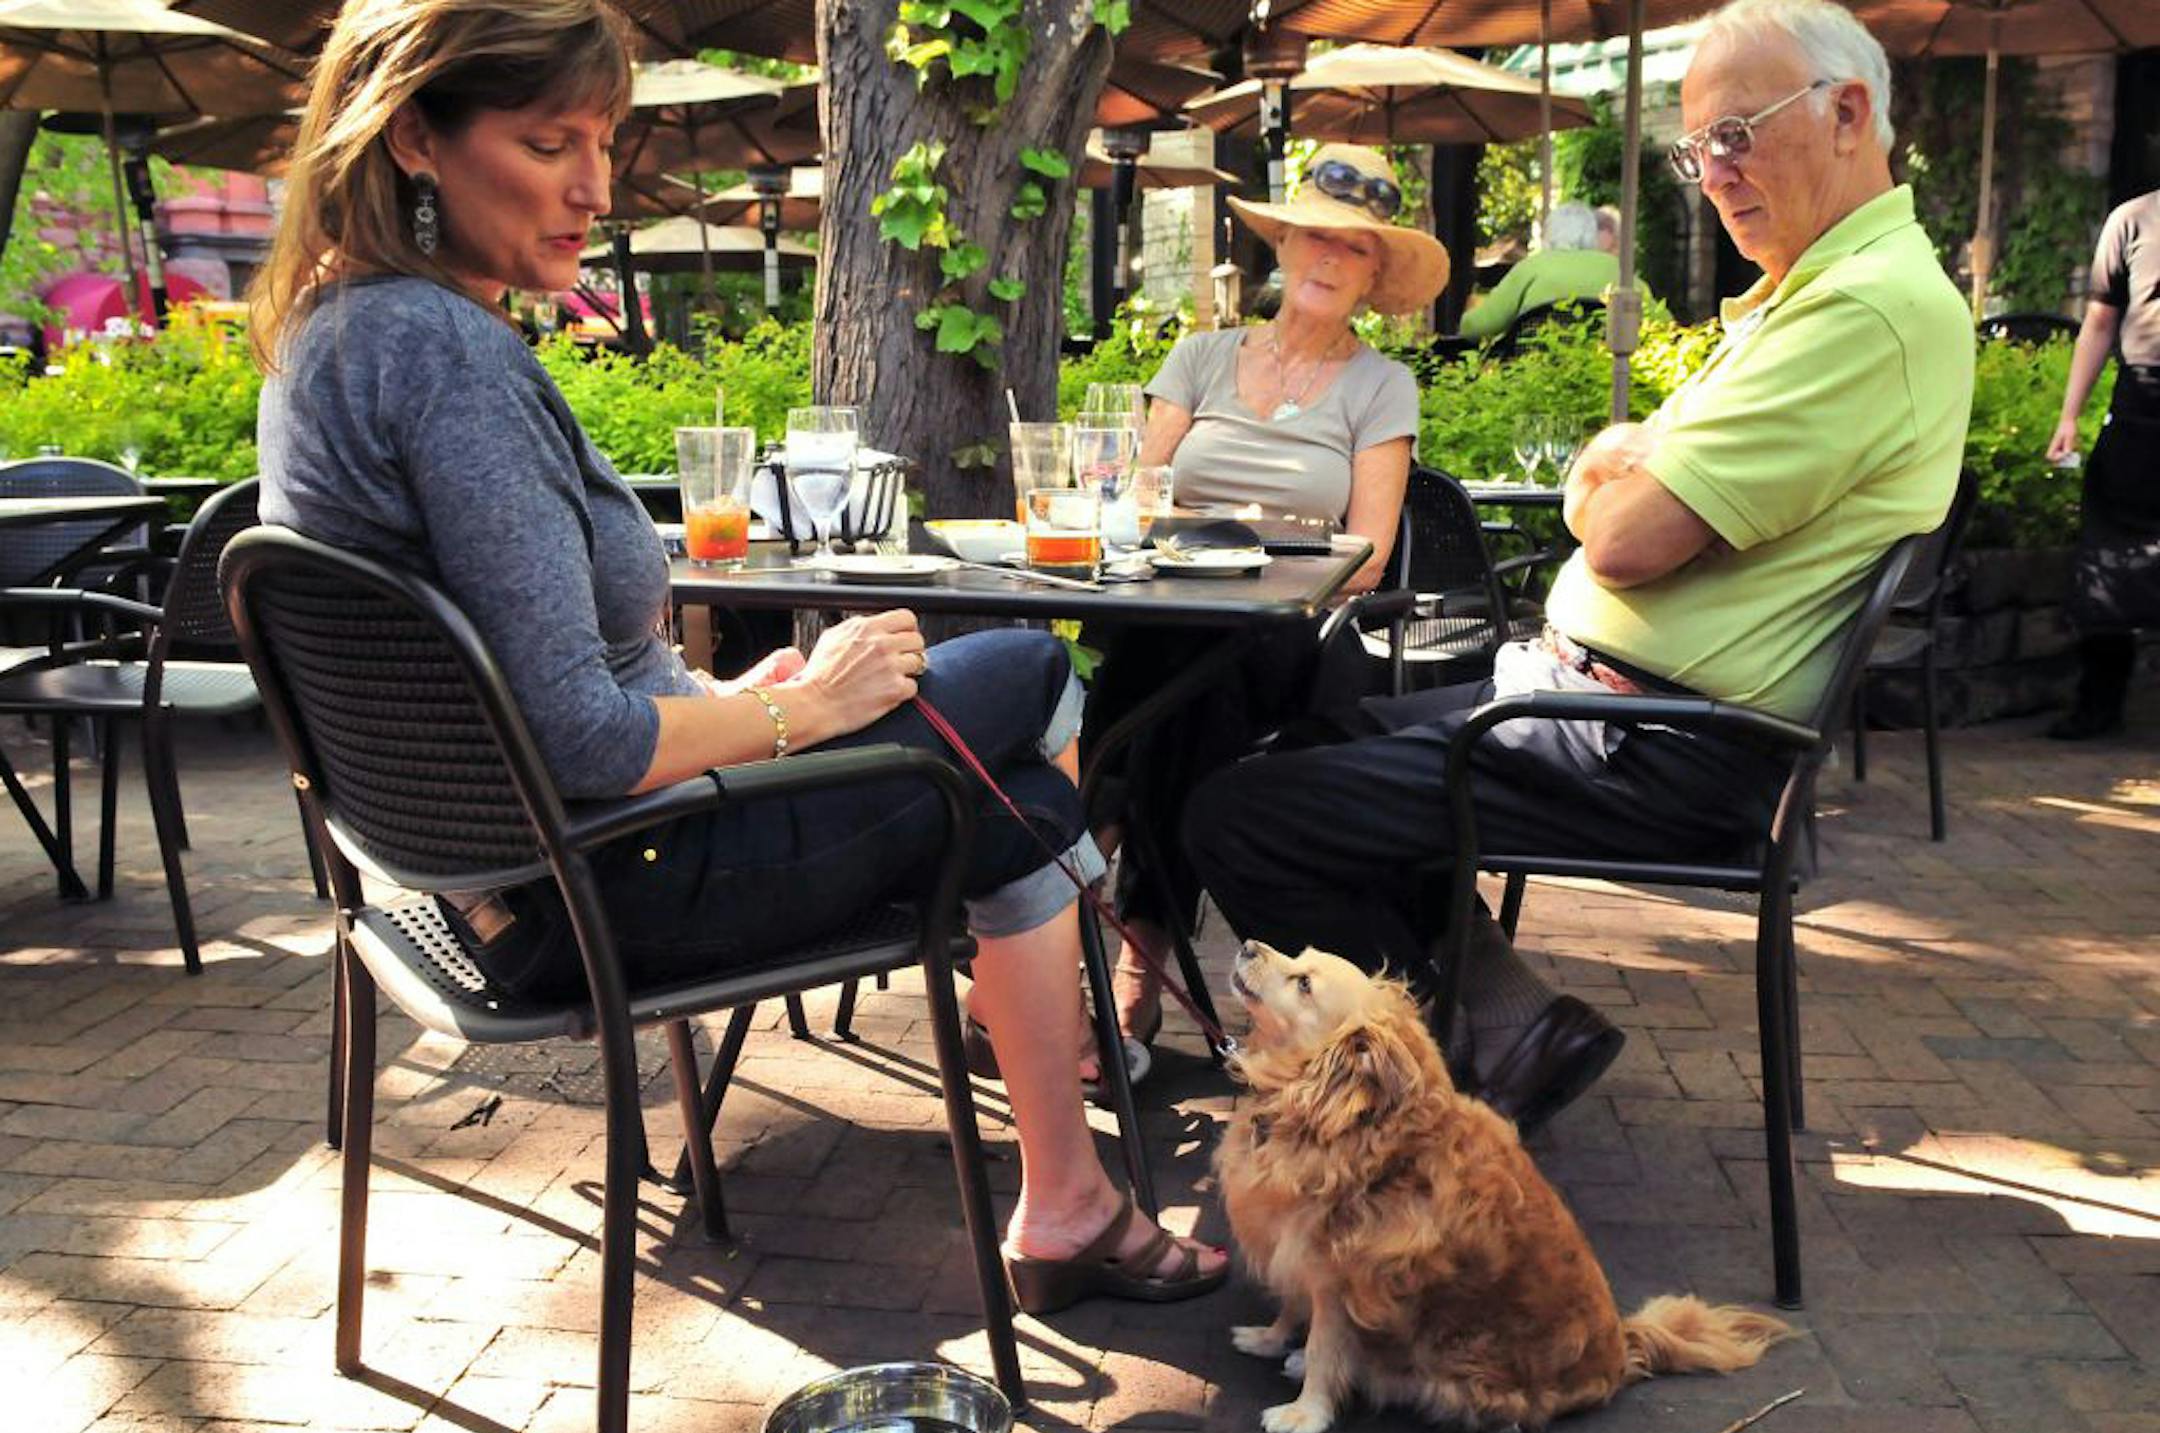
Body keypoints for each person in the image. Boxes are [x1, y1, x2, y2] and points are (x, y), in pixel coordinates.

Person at [248, 0, 1223, 1314]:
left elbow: (533, 690)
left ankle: (1071, 1178)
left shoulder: (333, 337)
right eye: (550, 145)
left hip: (478, 885)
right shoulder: (441, 359)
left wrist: (728, 697)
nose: (597, 187)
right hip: (602, 890)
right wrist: (802, 713)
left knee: (1013, 805)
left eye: (604, 141)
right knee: (1024, 684)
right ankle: (1077, 1077)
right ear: (415, 137)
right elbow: (583, 742)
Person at [1184, 0, 1973, 1132]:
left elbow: (1623, 535)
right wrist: (1618, 466)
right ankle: (1508, 1028)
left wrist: (1616, 475)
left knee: (1239, 814)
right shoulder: (1825, 293)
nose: (1713, 172)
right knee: (1322, 734)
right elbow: (1624, 489)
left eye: (1737, 135)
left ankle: (1424, 1097)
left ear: (1848, 113)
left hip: (1661, 744)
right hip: (1610, 709)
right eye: (1697, 147)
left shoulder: (1866, 309)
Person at [1084, 142, 1446, 1050]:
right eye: (1314, 237)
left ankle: (1089, 897)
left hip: (1295, 633)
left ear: (1373, 274)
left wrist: (1244, 548)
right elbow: (1136, 490)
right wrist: (1190, 538)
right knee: (1177, 680)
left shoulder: (1380, 384)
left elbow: (1367, 552)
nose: (1329, 257)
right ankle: (1121, 944)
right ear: (1281, 247)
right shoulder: (1201, 357)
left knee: (1179, 691)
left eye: (1354, 247)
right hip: (1167, 610)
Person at [2042, 188, 2160, 739]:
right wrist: (2070, 416)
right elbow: (2097, 322)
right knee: (2106, 553)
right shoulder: (2131, 221)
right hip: (2139, 411)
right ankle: (2099, 703)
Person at [1457, 202, 1618, 341]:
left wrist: (1467, 316)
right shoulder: (1618, 270)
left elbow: (1477, 327)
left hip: (1535, 372)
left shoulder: (1530, 268)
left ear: (1548, 236)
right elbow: (1643, 311)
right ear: (1592, 235)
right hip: (1604, 372)